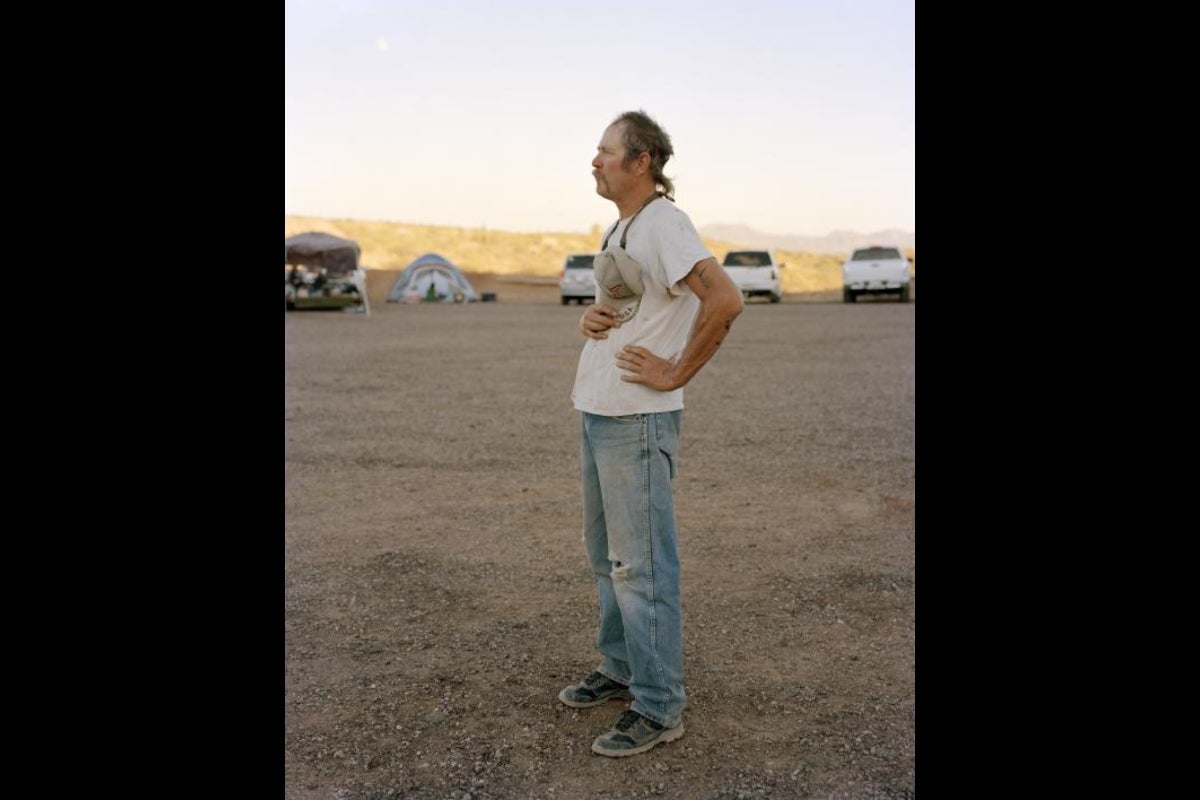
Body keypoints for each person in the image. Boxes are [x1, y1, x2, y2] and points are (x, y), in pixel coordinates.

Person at [561, 109, 744, 758]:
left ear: (642, 162)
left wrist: (675, 371)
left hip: (637, 418)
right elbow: (634, 305)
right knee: (607, 557)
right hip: (600, 409)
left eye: (607, 151)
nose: (595, 160)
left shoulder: (665, 223)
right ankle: (620, 667)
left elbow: (724, 298)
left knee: (642, 567)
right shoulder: (624, 225)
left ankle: (661, 705)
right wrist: (594, 320)